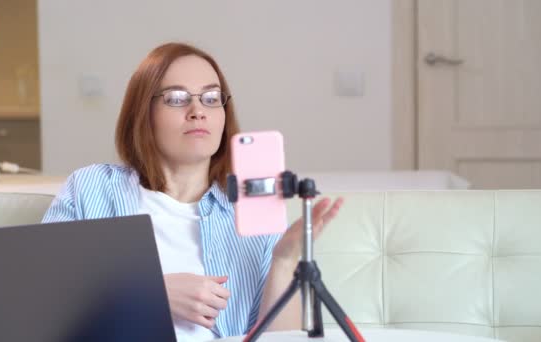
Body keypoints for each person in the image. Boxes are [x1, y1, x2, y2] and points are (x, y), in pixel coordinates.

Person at [42, 42, 343, 341]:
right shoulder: (91, 188)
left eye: (211, 98)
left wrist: (285, 261)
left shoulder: (251, 216)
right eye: (176, 98)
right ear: (143, 112)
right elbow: (43, 297)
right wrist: (151, 294)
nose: (198, 111)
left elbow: (280, 340)